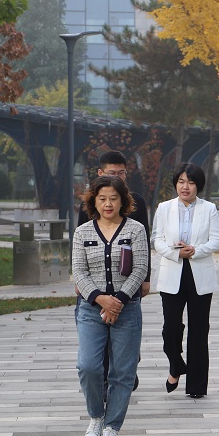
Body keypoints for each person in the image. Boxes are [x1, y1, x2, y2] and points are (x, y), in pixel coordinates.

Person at [73, 176, 149, 436]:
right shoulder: (82, 233)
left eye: (114, 198)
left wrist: (118, 302)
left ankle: (112, 427)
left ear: (123, 201)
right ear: (93, 201)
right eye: (102, 198)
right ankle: (96, 416)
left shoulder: (136, 230)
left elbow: (140, 268)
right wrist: (101, 300)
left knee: (123, 371)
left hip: (127, 309)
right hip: (91, 309)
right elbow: (79, 272)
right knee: (88, 366)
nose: (108, 204)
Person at [77, 150, 150, 392]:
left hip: (127, 284)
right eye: (111, 173)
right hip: (95, 285)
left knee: (124, 331)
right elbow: (79, 247)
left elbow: (144, 247)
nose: (117, 177)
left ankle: (124, 371)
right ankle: (105, 382)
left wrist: (145, 278)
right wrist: (82, 283)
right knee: (94, 345)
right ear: (100, 173)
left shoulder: (136, 203)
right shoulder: (91, 204)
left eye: (121, 173)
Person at [151, 163, 219, 398]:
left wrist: (195, 251)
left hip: (199, 275)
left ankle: (196, 386)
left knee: (199, 331)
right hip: (172, 273)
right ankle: (176, 364)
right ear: (176, 184)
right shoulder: (164, 208)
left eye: (191, 182)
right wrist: (176, 253)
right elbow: (157, 239)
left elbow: (217, 240)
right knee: (171, 328)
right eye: (181, 181)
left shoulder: (209, 208)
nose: (185, 187)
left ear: (198, 186)